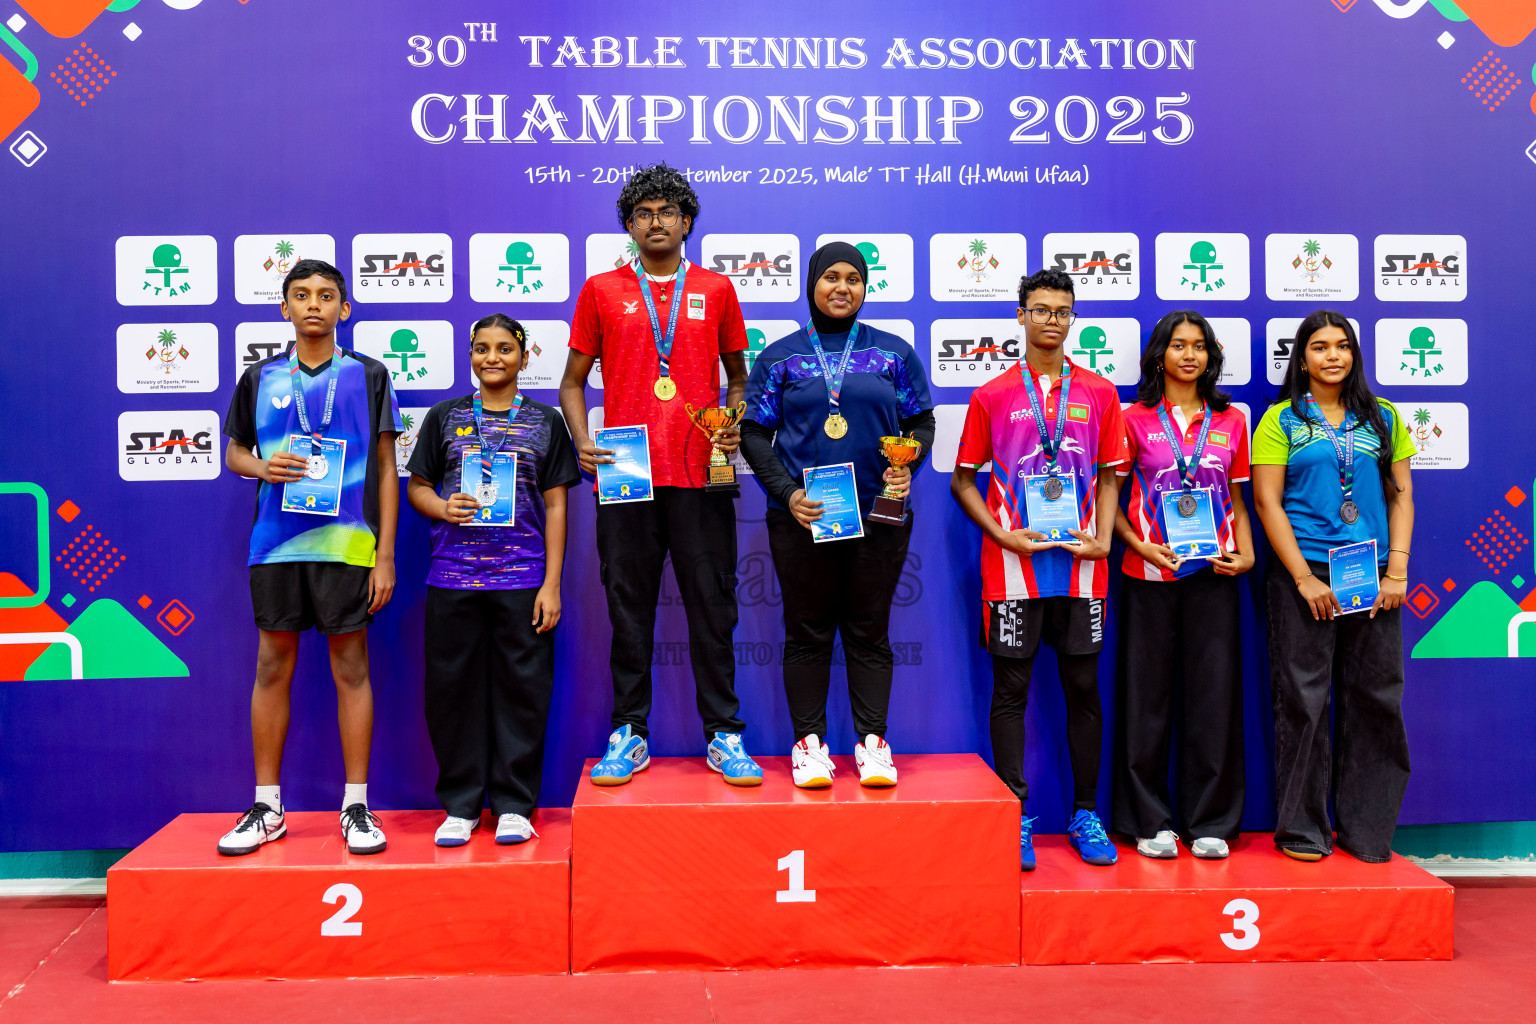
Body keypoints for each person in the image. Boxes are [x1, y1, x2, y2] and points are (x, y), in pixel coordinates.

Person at [558, 163, 763, 786]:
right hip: (626, 475)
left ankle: (724, 736)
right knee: (629, 610)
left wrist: (732, 419)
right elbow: (571, 383)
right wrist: (583, 439)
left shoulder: (719, 289)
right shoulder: (600, 290)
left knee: (713, 608)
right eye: (644, 213)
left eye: (666, 212)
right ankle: (630, 733)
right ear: (629, 224)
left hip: (702, 471)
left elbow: (740, 377)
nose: (656, 221)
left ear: (687, 222)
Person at [217, 259, 403, 856]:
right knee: (273, 665)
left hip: (349, 546)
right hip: (274, 546)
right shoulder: (260, 377)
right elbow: (233, 452)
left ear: (344, 309)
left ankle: (356, 805)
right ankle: (267, 806)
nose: (314, 305)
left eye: (327, 296)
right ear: (285, 309)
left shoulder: (369, 376)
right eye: (302, 295)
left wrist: (387, 556)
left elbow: (386, 470)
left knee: (351, 667)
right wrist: (261, 467)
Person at [739, 242, 935, 788]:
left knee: (870, 630)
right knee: (807, 630)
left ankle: (872, 744)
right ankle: (809, 746)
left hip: (878, 515)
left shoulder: (893, 353)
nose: (842, 287)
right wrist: (785, 493)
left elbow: (921, 422)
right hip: (805, 516)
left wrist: (907, 466)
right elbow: (754, 432)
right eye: (831, 277)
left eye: (854, 278)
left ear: (866, 287)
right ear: (812, 284)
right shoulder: (780, 356)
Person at [950, 268, 1128, 870]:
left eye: (1062, 311)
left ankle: (1084, 813)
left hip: (1081, 572)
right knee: (1012, 692)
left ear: (1071, 318)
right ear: (1020, 316)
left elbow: (1110, 475)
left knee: (1083, 691)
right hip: (1013, 570)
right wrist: (1001, 534)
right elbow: (961, 480)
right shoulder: (993, 395)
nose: (1051, 319)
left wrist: (1105, 538)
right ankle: (1015, 816)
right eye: (1041, 309)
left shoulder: (1101, 394)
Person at [405, 315, 579, 846]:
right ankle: (459, 805)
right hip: (454, 579)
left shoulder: (547, 422)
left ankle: (512, 805)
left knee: (522, 694)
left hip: (522, 580)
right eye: (481, 349)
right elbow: (417, 487)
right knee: (451, 694)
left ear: (524, 357)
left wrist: (551, 584)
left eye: (505, 349)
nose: (492, 358)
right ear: (471, 356)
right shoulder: (445, 417)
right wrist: (441, 504)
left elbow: (555, 506)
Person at [1252, 310, 1415, 863]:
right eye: (1320, 347)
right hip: (1305, 579)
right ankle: (1303, 831)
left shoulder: (1384, 417)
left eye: (1343, 346)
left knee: (1376, 700)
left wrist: (1396, 571)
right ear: (1303, 358)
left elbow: (1401, 496)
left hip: (1371, 577)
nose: (1333, 356)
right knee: (1303, 702)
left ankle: (1368, 831)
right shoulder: (1281, 420)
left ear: (1355, 355)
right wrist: (1302, 578)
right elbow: (1267, 502)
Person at [1110, 311, 1254, 860]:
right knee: (1147, 699)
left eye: (1199, 347)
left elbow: (1238, 503)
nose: (1188, 355)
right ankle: (1150, 821)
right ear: (1159, 355)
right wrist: (1137, 544)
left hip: (1213, 574)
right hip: (1148, 572)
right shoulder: (1133, 419)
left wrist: (1246, 554)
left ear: (1210, 357)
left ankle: (1211, 822)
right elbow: (1112, 502)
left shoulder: (1231, 420)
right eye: (1178, 346)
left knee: (1213, 698)